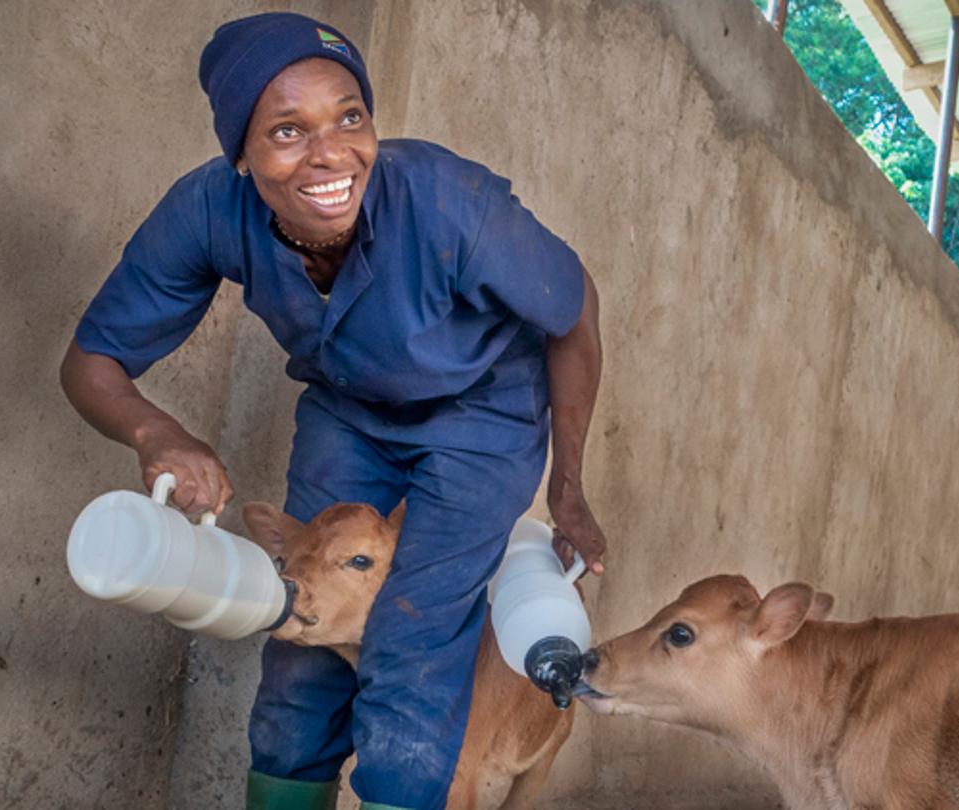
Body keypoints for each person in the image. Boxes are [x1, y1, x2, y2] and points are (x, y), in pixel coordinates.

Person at [58, 12, 608, 810]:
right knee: (301, 625)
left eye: (350, 117)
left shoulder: (445, 201)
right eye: (287, 130)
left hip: (484, 417)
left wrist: (569, 484)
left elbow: (573, 308)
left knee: (413, 638)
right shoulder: (209, 212)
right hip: (351, 412)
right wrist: (158, 433)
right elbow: (91, 361)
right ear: (241, 156)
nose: (331, 154)